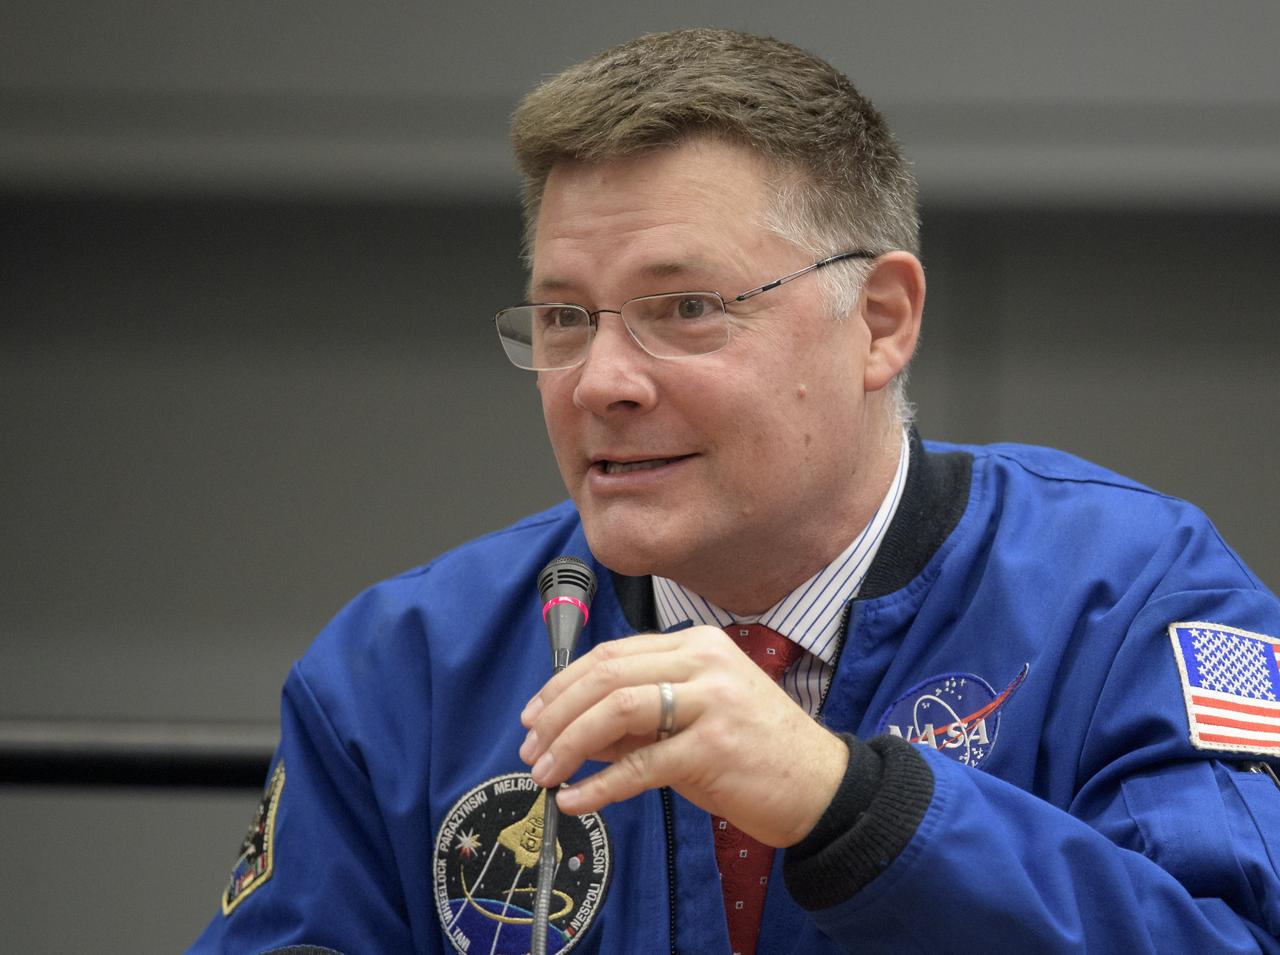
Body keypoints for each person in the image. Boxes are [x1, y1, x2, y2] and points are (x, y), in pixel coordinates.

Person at [189, 28, 1280, 954]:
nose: (602, 382)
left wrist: (851, 804)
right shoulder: (406, 669)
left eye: (685, 308)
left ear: (880, 322)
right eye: (565, 317)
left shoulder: (1130, 598)